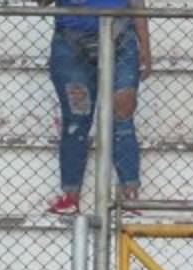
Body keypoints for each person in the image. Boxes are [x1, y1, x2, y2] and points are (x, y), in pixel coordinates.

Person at [39, 0, 152, 215]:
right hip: (71, 41)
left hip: (120, 36)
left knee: (122, 114)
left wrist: (145, 45)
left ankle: (130, 196)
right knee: (77, 119)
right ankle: (71, 197)